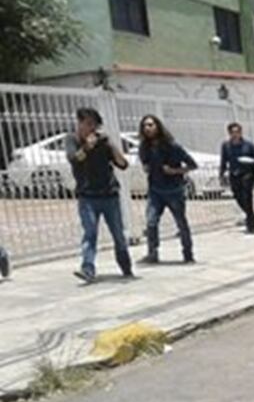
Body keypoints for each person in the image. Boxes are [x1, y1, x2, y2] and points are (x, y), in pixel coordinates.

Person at [66, 108, 133, 283]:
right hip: (87, 197)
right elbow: (74, 159)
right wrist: (87, 146)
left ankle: (126, 266)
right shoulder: (72, 140)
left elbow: (123, 164)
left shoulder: (103, 142)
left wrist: (111, 145)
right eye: (88, 124)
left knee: (118, 234)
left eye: (94, 125)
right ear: (79, 123)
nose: (91, 128)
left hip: (109, 195)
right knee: (90, 233)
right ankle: (87, 268)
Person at [138, 115, 197, 264]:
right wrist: (146, 168)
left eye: (150, 125)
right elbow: (145, 164)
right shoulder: (144, 147)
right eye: (145, 125)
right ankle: (152, 253)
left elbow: (192, 165)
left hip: (174, 191)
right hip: (155, 191)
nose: (147, 128)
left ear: (158, 126)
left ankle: (188, 254)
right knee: (151, 222)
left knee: (181, 223)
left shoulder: (172, 146)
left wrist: (174, 171)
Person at [219, 122, 254, 234]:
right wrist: (221, 174)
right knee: (238, 197)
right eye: (233, 132)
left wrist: (250, 161)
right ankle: (252, 216)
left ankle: (250, 225)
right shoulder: (226, 146)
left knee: (247, 197)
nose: (236, 134)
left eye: (238, 132)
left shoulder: (249, 145)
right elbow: (223, 161)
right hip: (234, 174)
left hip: (248, 173)